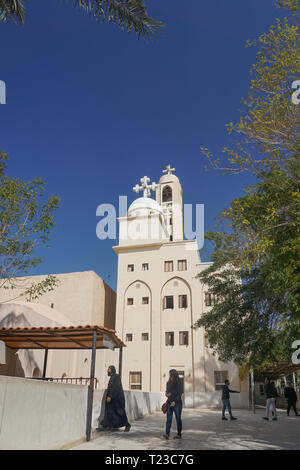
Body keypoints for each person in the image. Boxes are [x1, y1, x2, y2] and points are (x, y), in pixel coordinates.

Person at [96, 365, 131, 432]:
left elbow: (115, 387)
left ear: (112, 370)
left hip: (117, 399)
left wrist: (110, 396)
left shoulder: (116, 376)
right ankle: (105, 426)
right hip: (113, 399)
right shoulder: (112, 377)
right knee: (109, 412)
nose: (107, 371)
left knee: (120, 412)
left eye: (109, 369)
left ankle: (127, 425)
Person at [163, 369, 183, 440]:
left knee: (178, 419)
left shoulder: (179, 382)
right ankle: (167, 434)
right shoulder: (168, 383)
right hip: (169, 403)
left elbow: (180, 393)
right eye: (169, 375)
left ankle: (179, 434)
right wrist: (166, 394)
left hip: (177, 403)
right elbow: (167, 392)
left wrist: (174, 401)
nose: (170, 376)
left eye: (171, 375)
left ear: (174, 375)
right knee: (169, 419)